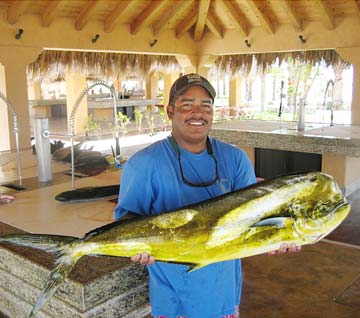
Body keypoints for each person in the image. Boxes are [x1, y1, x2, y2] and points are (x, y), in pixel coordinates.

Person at [114, 73, 300, 318]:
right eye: (187, 105)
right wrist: (135, 247)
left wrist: (278, 237)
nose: (197, 112)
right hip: (172, 299)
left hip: (223, 294)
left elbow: (256, 218)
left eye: (205, 105)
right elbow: (125, 221)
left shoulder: (235, 159)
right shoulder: (143, 163)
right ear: (170, 111)